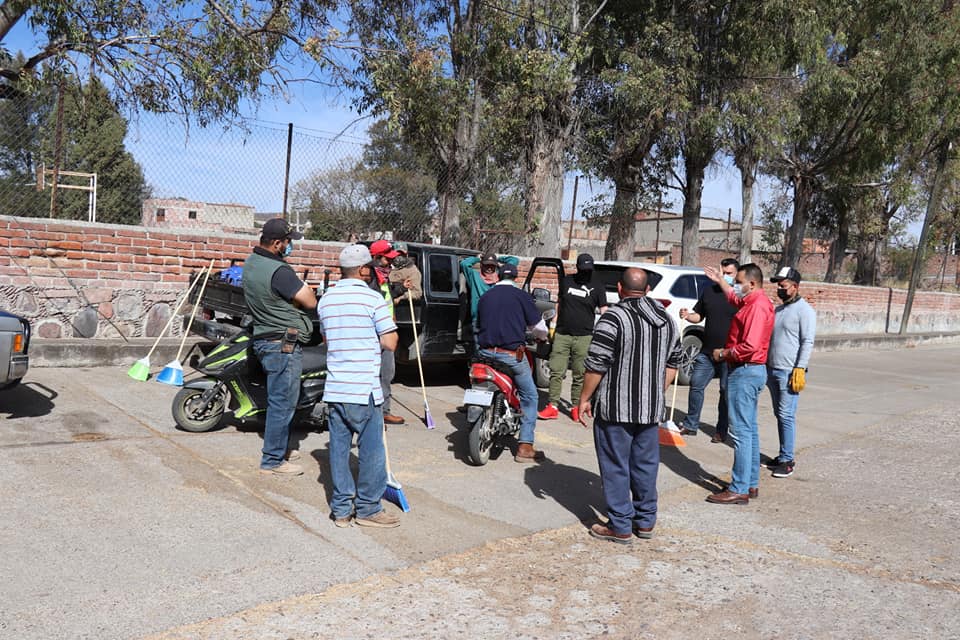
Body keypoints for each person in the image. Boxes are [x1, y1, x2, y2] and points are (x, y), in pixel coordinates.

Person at [578, 268, 681, 544]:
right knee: (646, 464)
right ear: (648, 290)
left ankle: (620, 524)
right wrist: (656, 391)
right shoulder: (667, 319)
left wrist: (584, 398)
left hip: (615, 408)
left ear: (620, 289)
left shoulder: (612, 317)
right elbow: (675, 362)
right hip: (649, 409)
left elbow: (596, 364)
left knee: (615, 465)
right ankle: (645, 521)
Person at [317, 244, 401, 528]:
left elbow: (328, 342)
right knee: (371, 451)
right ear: (364, 269)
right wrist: (367, 340)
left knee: (339, 451)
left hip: (336, 388)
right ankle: (368, 509)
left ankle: (341, 510)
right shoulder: (373, 299)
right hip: (363, 388)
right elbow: (390, 342)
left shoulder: (326, 299)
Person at [241, 217, 317, 476]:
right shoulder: (280, 271)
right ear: (276, 243)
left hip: (264, 339)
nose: (289, 246)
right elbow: (309, 301)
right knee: (283, 402)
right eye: (287, 242)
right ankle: (272, 461)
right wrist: (305, 289)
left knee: (279, 400)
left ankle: (279, 447)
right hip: (281, 344)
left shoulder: (252, 262)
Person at [703, 263, 775, 505]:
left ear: (752, 284)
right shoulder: (752, 301)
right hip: (750, 371)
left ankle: (740, 487)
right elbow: (734, 298)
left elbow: (750, 346)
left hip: (745, 372)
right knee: (749, 430)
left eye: (739, 281)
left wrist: (723, 354)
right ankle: (749, 482)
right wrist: (720, 281)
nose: (736, 285)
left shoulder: (757, 307)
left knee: (741, 433)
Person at [476, 263, 549, 462]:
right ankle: (525, 446)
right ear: (516, 277)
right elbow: (539, 327)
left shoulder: (486, 296)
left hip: (484, 352)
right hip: (510, 355)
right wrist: (542, 338)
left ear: (498, 276)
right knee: (531, 396)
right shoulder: (522, 297)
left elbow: (478, 322)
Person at [539, 253, 607, 422]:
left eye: (589, 270)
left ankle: (576, 406)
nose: (586, 273)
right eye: (583, 269)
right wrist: (552, 326)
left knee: (580, 373)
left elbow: (604, 310)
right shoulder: (567, 281)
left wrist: (604, 332)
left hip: (584, 336)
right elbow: (559, 304)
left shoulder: (597, 286)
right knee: (556, 370)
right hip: (563, 334)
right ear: (577, 268)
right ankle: (553, 405)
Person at [677, 258, 739, 442]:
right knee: (696, 384)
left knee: (725, 392)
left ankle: (721, 430)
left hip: (729, 354)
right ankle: (691, 424)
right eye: (723, 272)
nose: (724, 276)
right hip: (707, 351)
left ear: (736, 275)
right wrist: (688, 316)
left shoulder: (739, 295)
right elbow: (699, 316)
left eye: (729, 274)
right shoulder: (709, 291)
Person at [765, 267, 817, 479]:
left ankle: (787, 461)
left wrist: (799, 368)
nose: (779, 288)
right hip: (772, 369)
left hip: (789, 371)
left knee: (786, 415)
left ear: (795, 286)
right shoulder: (779, 310)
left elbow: (808, 341)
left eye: (783, 285)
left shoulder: (805, 311)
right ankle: (782, 454)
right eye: (778, 284)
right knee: (779, 414)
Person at [369, 239, 405, 425]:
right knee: (375, 373)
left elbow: (388, 294)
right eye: (386, 260)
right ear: (376, 258)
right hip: (374, 335)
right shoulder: (370, 281)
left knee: (387, 373)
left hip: (386, 333)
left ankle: (384, 410)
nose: (390, 263)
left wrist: (401, 289)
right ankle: (373, 412)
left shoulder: (383, 278)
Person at [461, 251, 520, 327]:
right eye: (487, 265)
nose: (489, 268)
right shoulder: (474, 277)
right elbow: (464, 264)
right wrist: (477, 259)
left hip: (497, 319)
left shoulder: (501, 276)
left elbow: (515, 260)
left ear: (495, 266)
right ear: (481, 265)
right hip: (479, 320)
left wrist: (498, 258)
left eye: (492, 266)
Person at [388, 242, 422, 307]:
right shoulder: (387, 266)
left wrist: (400, 298)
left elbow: (417, 293)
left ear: (406, 255)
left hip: (401, 308)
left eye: (402, 254)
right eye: (397, 254)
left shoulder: (412, 271)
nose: (399, 257)